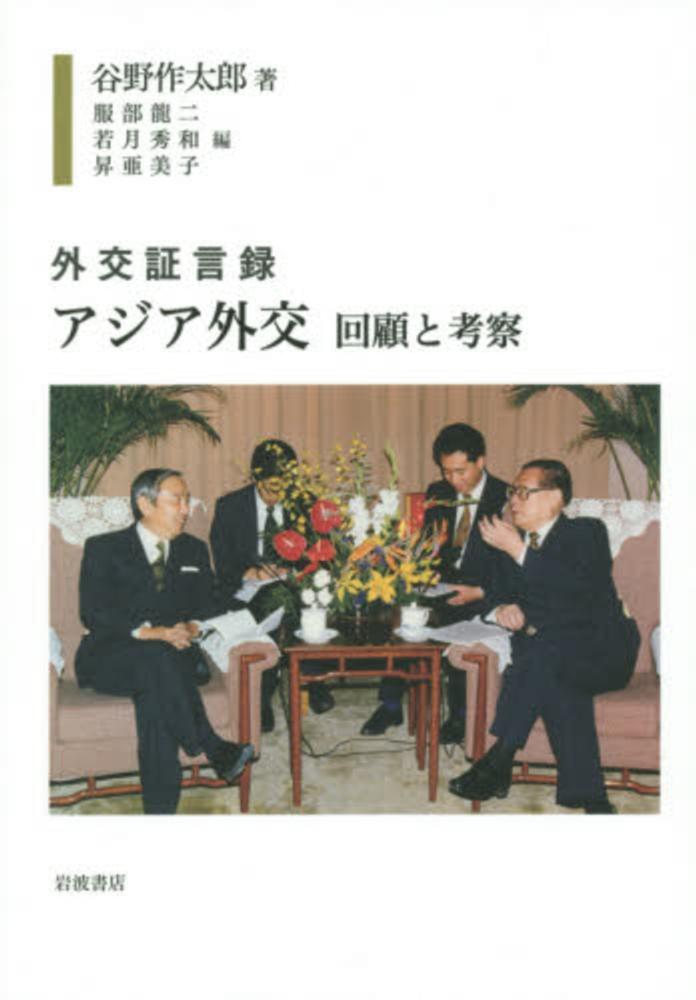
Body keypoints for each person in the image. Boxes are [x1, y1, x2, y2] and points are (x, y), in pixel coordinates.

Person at [448, 459, 640, 813]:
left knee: (545, 655)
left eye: (524, 492)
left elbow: (577, 592)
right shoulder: (511, 543)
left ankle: (500, 760)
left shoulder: (586, 533)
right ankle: (591, 798)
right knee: (554, 671)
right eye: (513, 491)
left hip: (605, 653)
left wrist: (518, 552)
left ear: (555, 497)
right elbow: (494, 592)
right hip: (553, 660)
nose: (513, 500)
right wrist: (500, 609)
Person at [75, 468, 254, 815]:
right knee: (155, 657)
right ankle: (213, 746)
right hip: (111, 657)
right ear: (145, 504)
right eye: (177, 500)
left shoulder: (193, 549)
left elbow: (210, 604)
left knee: (155, 699)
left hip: (173, 661)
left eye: (188, 500)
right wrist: (152, 633)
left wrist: (192, 626)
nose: (186, 509)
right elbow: (93, 612)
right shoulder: (104, 547)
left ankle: (160, 814)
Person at [360, 422, 508, 740]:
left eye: (460, 471)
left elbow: (514, 566)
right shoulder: (438, 493)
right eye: (446, 472)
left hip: (481, 591)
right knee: (399, 612)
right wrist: (416, 573)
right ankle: (390, 705)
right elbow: (429, 547)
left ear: (480, 461)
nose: (453, 480)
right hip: (438, 585)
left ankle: (459, 716)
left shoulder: (505, 498)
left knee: (458, 619)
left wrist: (481, 591)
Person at [211, 438, 334, 731]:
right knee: (275, 600)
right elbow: (223, 564)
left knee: (286, 598)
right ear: (255, 478)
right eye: (269, 489)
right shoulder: (230, 507)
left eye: (283, 489)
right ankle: (309, 679)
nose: (275, 498)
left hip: (294, 588)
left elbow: (320, 554)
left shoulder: (304, 504)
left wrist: (292, 570)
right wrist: (251, 573)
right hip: (246, 592)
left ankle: (266, 694)